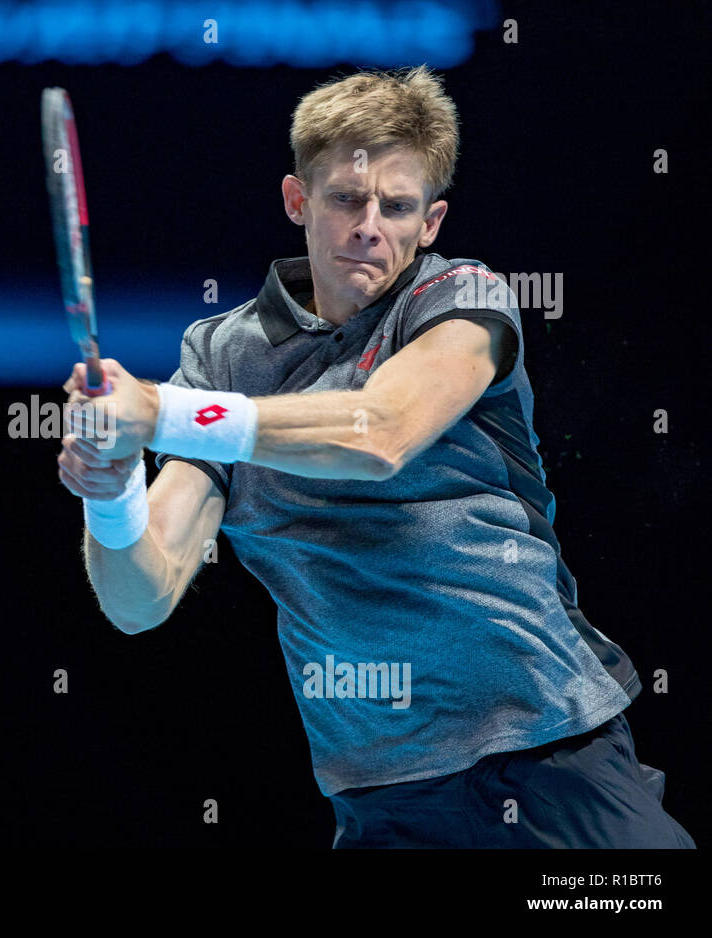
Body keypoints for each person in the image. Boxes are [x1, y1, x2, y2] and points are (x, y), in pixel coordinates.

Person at [56, 66, 695, 848]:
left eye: (397, 207)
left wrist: (156, 412)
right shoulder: (221, 358)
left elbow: (377, 434)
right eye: (346, 200)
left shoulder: (462, 301)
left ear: (431, 222)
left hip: (549, 752)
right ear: (297, 201)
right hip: (383, 797)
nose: (370, 226)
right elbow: (138, 599)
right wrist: (111, 484)